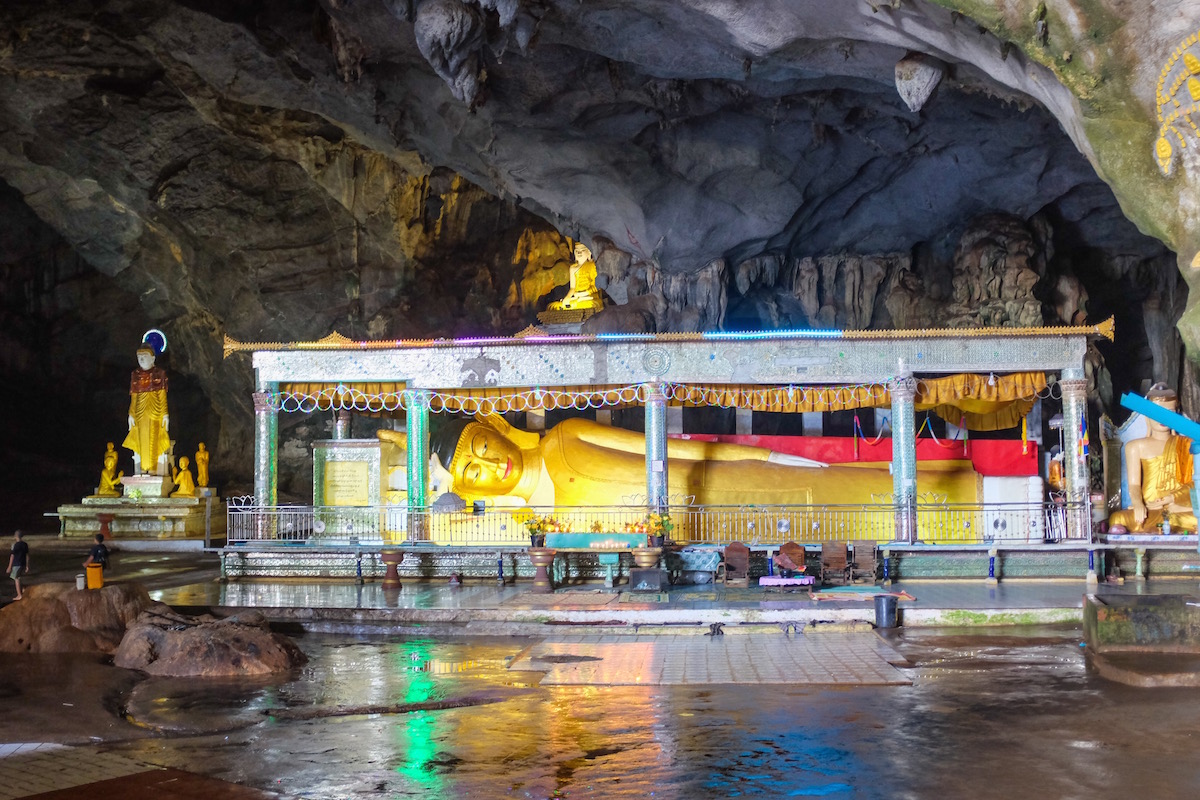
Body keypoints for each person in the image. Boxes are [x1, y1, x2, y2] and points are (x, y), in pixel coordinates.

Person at [416, 413, 981, 509]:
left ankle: (951, 491)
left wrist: (751, 451)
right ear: (472, 494)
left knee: (848, 491)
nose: (489, 467)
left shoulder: (563, 437)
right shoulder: (541, 522)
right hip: (698, 524)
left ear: (495, 430)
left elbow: (663, 447)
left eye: (483, 450)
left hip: (723, 477)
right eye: (475, 473)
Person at [1108, 384, 1196, 532]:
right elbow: (1134, 485)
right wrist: (1138, 504)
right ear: (1148, 415)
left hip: (1177, 508)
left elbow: (1194, 483)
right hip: (1150, 510)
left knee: (1192, 517)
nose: (1163, 418)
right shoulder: (1135, 446)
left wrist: (1172, 498)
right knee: (1117, 518)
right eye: (1158, 413)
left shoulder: (1186, 445)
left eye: (1169, 413)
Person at [122, 345, 170, 476]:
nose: (142, 359)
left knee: (154, 438)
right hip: (140, 411)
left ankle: (153, 469)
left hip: (155, 410)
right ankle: (143, 469)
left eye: (145, 357)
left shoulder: (159, 373)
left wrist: (165, 414)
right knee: (141, 439)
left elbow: (162, 395)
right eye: (139, 357)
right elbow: (134, 397)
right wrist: (130, 414)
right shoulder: (135, 375)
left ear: (153, 358)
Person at [547, 242, 604, 311]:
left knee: (593, 304)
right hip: (576, 298)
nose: (579, 253)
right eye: (577, 251)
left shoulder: (592, 266)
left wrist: (583, 294)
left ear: (589, 252)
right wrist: (567, 298)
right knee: (553, 306)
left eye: (582, 250)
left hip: (589, 297)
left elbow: (596, 286)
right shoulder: (573, 268)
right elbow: (572, 288)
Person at [7, 530, 29, 601]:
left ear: (15, 536)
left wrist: (9, 567)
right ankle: (23, 589)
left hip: (16, 564)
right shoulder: (25, 544)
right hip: (22, 564)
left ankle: (19, 595)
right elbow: (27, 555)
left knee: (16, 579)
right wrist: (27, 566)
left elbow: (12, 556)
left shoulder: (15, 545)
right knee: (18, 577)